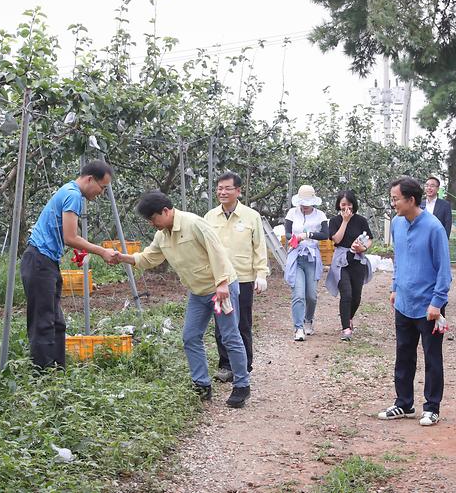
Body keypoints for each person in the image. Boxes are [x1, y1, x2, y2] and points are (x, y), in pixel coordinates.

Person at [113, 191, 251, 408]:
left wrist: (222, 283)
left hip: (219, 288)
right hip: (197, 292)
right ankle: (201, 384)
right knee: (190, 336)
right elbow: (149, 258)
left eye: (152, 219)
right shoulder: (162, 235)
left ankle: (242, 385)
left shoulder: (194, 224)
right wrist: (123, 258)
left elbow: (217, 252)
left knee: (229, 336)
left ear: (166, 211)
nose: (151, 224)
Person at [20, 160, 119, 369]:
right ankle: (43, 375)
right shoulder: (73, 195)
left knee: (56, 322)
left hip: (45, 261)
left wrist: (79, 247)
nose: (101, 193)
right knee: (44, 322)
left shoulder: (68, 190)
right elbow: (70, 237)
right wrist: (102, 251)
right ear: (90, 179)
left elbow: (64, 233)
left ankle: (57, 370)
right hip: (40, 261)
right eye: (102, 187)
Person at [379, 176, 452, 427]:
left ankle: (432, 407)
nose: (393, 204)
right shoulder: (397, 225)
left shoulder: (434, 228)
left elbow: (444, 269)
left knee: (432, 357)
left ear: (411, 200)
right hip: (404, 302)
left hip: (429, 306)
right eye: (392, 199)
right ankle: (403, 403)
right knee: (404, 354)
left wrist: (437, 302)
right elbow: (399, 259)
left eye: (396, 199)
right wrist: (394, 287)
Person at [204, 172, 269, 383]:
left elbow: (259, 247)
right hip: (219, 279)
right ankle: (225, 365)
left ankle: (244, 364)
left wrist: (261, 273)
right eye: (219, 188)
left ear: (238, 191)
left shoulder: (251, 217)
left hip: (243, 278)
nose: (222, 192)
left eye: (227, 188)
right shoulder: (209, 217)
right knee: (221, 323)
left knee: (242, 323)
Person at [325, 190, 373, 341]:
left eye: (349, 204)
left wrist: (363, 248)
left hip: (357, 259)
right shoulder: (334, 221)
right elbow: (336, 240)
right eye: (343, 204)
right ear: (339, 205)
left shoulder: (361, 220)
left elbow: (370, 238)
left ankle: (349, 318)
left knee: (356, 296)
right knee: (346, 294)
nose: (346, 207)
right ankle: (346, 328)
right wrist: (345, 221)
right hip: (341, 260)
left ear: (354, 205)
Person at [284, 185, 329, 341]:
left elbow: (325, 235)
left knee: (311, 296)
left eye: (308, 202)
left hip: (311, 257)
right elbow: (288, 232)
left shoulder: (320, 215)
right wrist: (294, 238)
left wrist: (308, 235)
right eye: (303, 202)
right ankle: (298, 328)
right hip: (296, 256)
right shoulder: (292, 213)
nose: (305, 205)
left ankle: (308, 319)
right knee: (298, 294)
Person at [421, 176, 453, 339]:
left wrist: (442, 244)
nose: (429, 188)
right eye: (427, 185)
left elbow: (447, 225)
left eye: (433, 186)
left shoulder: (445, 205)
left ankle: (438, 308)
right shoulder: (419, 205)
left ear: (438, 189)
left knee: (438, 275)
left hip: (437, 245)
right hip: (421, 247)